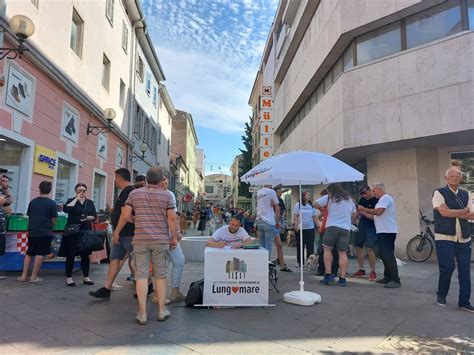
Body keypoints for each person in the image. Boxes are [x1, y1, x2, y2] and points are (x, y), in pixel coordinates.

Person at [115, 166, 178, 325]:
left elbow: (126, 215)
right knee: (160, 275)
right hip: (160, 240)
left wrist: (136, 221)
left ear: (147, 179)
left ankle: (142, 313)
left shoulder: (134, 194)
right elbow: (171, 219)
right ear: (161, 179)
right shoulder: (166, 196)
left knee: (141, 276)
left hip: (140, 240)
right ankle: (162, 310)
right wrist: (174, 237)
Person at [432, 166, 473, 312]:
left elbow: (472, 215)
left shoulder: (466, 194)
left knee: (464, 270)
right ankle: (441, 294)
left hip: (464, 237)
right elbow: (443, 213)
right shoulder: (439, 192)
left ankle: (464, 302)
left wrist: (452, 211)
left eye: (457, 176)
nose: (455, 178)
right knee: (447, 267)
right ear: (446, 178)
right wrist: (464, 210)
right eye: (452, 176)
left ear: (461, 178)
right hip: (444, 237)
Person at [89, 168, 135, 300]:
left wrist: (117, 232)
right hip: (123, 234)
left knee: (137, 262)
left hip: (126, 234)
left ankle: (148, 286)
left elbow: (125, 215)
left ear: (119, 178)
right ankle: (106, 288)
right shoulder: (125, 192)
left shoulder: (127, 192)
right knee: (114, 259)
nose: (115, 181)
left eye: (115, 178)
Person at [358, 183, 400, 289]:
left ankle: (395, 279)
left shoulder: (386, 198)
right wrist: (362, 212)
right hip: (381, 231)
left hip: (388, 231)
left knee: (388, 254)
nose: (373, 192)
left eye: (374, 191)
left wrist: (363, 209)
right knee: (382, 254)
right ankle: (388, 277)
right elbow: (374, 217)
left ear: (380, 190)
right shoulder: (381, 200)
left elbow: (378, 212)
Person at [314, 184, 357, 287]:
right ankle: (342, 279)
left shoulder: (330, 197)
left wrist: (324, 208)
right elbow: (354, 214)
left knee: (327, 250)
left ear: (331, 191)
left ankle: (328, 275)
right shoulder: (349, 199)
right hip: (345, 228)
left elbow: (315, 204)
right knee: (342, 253)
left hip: (332, 226)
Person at [18, 181, 57, 283]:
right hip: (45, 231)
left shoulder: (32, 202)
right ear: (50, 190)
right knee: (40, 253)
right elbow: (53, 219)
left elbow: (30, 216)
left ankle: (23, 276)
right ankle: (33, 277)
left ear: (39, 189)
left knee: (29, 252)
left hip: (32, 231)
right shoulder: (52, 203)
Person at [59, 183, 97, 287]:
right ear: (75, 191)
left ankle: (86, 277)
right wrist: (76, 198)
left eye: (83, 191)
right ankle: (69, 278)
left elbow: (94, 216)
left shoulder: (89, 202)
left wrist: (87, 218)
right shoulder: (71, 200)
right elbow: (66, 209)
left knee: (85, 255)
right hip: (72, 232)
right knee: (70, 255)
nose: (81, 192)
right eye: (79, 190)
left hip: (85, 231)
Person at [352, 186, 378, 281]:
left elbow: (374, 216)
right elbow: (358, 212)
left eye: (365, 193)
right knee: (358, 246)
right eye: (362, 194)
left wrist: (363, 212)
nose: (364, 196)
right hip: (362, 225)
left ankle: (373, 271)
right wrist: (352, 220)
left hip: (372, 226)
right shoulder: (362, 200)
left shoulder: (376, 200)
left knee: (370, 248)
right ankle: (361, 269)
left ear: (370, 191)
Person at [293, 191, 319, 267]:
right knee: (300, 245)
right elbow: (295, 216)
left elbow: (315, 217)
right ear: (303, 196)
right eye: (308, 195)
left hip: (310, 228)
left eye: (309, 195)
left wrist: (318, 226)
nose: (309, 196)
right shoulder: (298, 205)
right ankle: (300, 262)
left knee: (310, 246)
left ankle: (309, 262)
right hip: (301, 228)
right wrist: (296, 226)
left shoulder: (312, 205)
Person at [255, 185, 280, 259]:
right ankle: (267, 265)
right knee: (268, 246)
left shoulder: (259, 192)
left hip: (260, 220)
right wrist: (277, 222)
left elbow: (260, 205)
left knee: (262, 246)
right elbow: (277, 207)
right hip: (269, 221)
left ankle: (262, 264)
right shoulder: (272, 192)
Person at [273, 187, 292, 272]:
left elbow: (283, 210)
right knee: (272, 245)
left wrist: (281, 217)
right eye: (278, 192)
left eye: (281, 192)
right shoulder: (272, 200)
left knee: (279, 245)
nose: (280, 193)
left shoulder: (281, 201)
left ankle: (281, 264)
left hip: (277, 223)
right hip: (272, 223)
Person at [0, 169, 13, 280]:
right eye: (1, 177)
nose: (3, 179)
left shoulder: (2, 190)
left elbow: (9, 204)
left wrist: (6, 188)